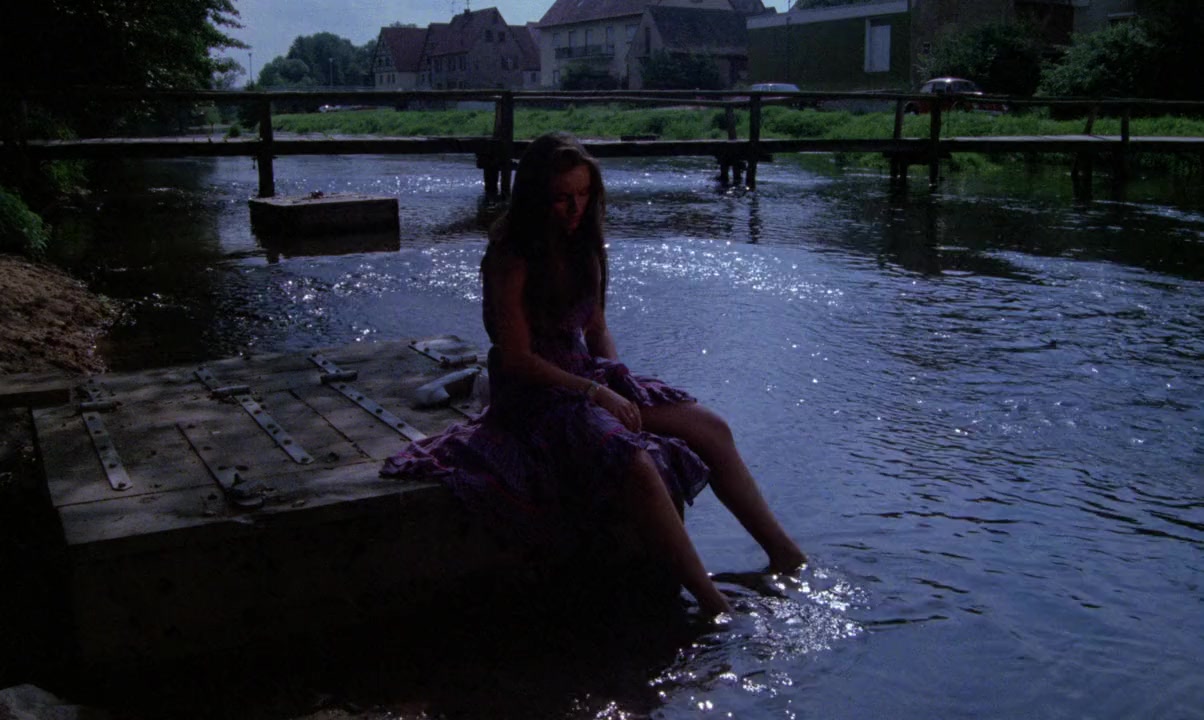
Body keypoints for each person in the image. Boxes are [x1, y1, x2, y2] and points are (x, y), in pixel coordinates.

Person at [382, 132, 804, 616]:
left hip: (586, 377)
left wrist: (616, 380)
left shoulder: (585, 247)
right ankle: (713, 604)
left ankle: (784, 554)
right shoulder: (510, 259)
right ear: (536, 198)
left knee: (710, 427)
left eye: (583, 194)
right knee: (632, 459)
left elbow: (597, 328)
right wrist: (595, 394)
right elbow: (516, 358)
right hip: (532, 394)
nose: (574, 208)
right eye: (561, 197)